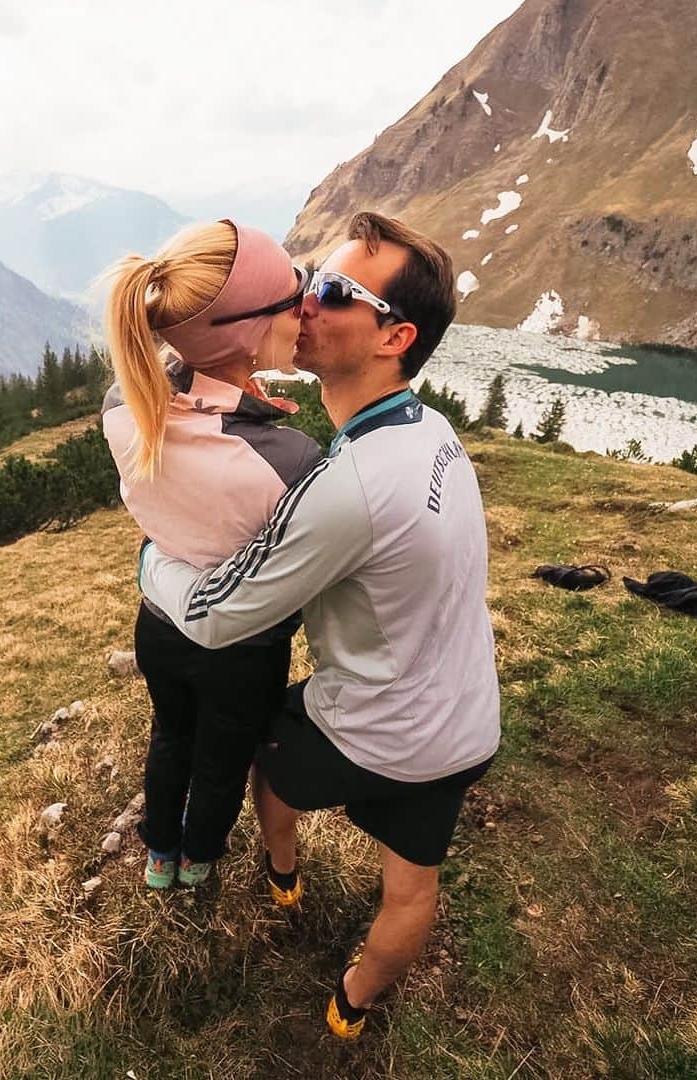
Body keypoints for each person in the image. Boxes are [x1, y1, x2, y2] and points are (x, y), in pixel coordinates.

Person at [138, 211, 500, 1039]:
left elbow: (221, 615)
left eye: (334, 292)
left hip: (377, 730)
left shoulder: (349, 485)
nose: (303, 300)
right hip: (465, 723)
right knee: (411, 889)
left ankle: (282, 873)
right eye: (309, 277)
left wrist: (152, 558)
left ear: (393, 336)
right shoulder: (432, 432)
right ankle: (351, 1006)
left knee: (270, 762)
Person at [101, 219, 321, 890]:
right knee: (224, 760)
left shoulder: (122, 406)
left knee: (170, 736)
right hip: (244, 649)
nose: (307, 305)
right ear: (248, 329)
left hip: (160, 626)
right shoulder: (289, 458)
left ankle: (159, 855)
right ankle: (199, 860)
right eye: (294, 292)